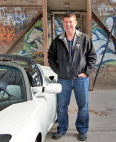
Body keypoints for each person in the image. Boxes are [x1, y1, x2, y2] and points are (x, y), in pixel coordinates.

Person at [48, 12, 96, 141]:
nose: (68, 24)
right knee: (62, 106)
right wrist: (58, 70)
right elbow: (51, 56)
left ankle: (82, 130)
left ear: (75, 23)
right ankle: (62, 129)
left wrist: (86, 72)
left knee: (83, 107)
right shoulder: (58, 40)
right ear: (63, 24)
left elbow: (92, 57)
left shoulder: (84, 38)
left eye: (70, 22)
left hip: (81, 79)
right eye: (65, 22)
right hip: (64, 79)